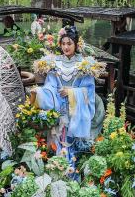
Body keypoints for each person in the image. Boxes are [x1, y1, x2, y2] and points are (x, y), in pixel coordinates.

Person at [35, 24, 105, 155]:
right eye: (63, 43)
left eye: (69, 43)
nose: (66, 47)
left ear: (76, 45)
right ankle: (58, 163)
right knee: (58, 136)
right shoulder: (53, 63)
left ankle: (76, 162)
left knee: (74, 141)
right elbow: (50, 85)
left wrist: (71, 92)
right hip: (59, 105)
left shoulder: (85, 64)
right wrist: (40, 93)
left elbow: (88, 90)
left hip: (77, 109)